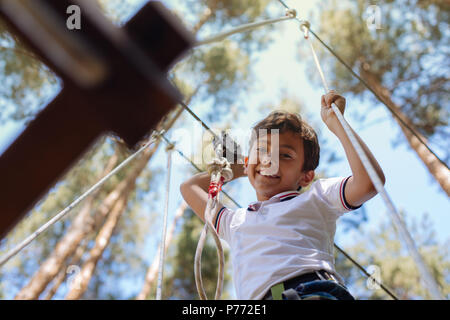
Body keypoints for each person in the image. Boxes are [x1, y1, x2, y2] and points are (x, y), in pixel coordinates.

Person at [180, 90, 385, 300]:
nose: (270, 160)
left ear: (306, 177)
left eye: (285, 155)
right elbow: (190, 187)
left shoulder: (318, 197)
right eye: (262, 150)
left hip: (311, 291)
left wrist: (338, 124)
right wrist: (246, 165)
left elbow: (368, 182)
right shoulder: (235, 222)